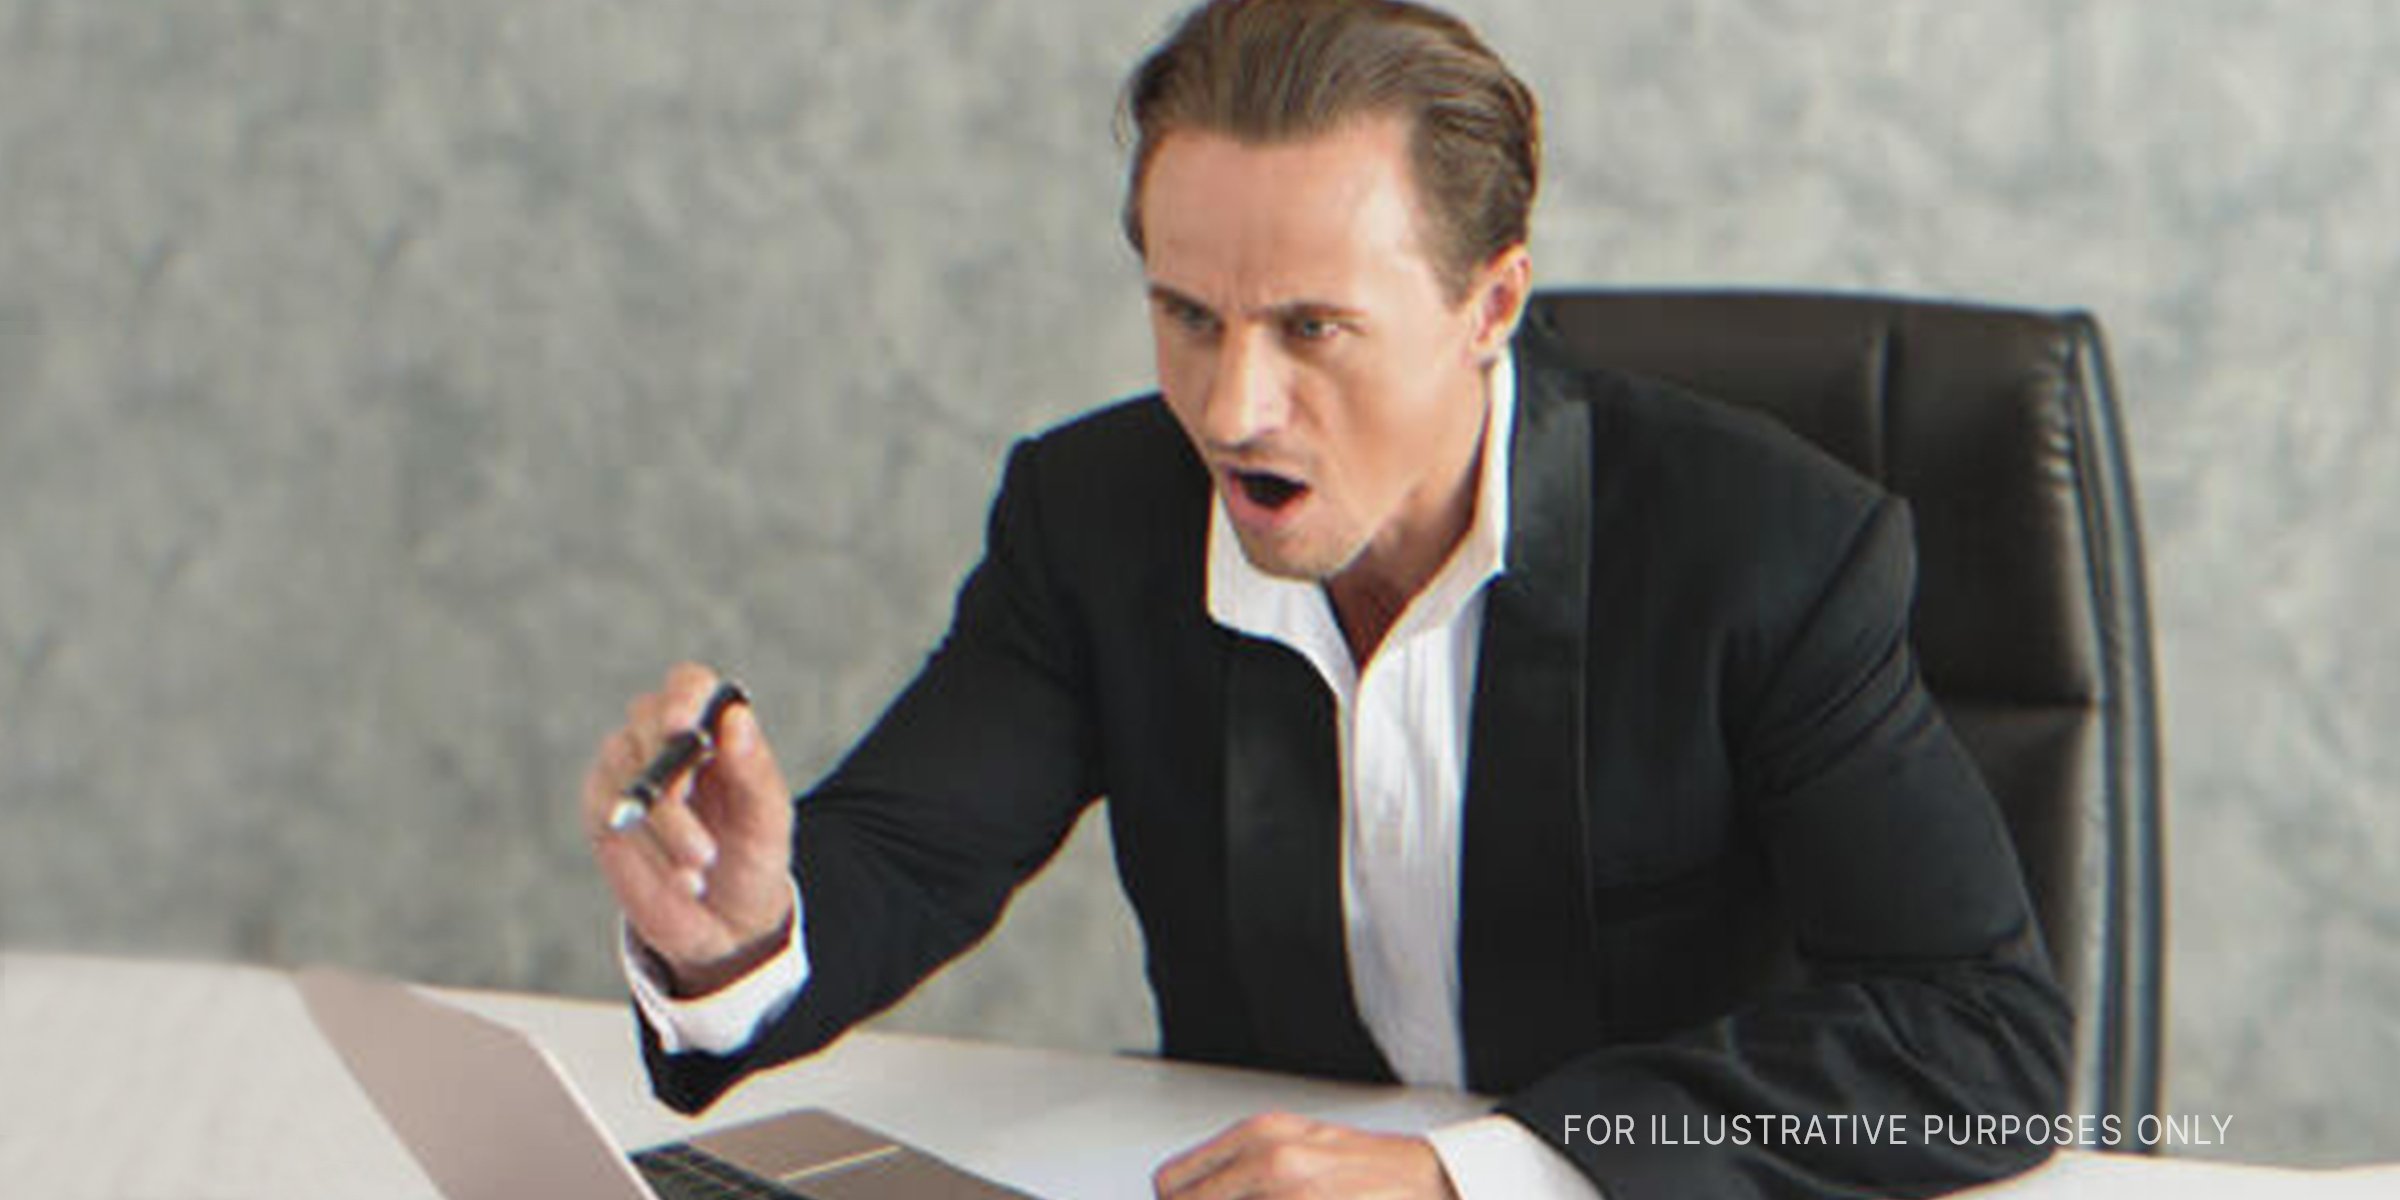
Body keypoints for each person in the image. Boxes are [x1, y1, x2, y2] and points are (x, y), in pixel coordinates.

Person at [579, 1, 2071, 1196]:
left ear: (1490, 305)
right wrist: (737, 935)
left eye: (1312, 328)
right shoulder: (1093, 518)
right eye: (1188, 317)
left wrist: (1467, 1178)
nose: (1233, 409)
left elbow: (1974, 1042)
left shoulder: (1768, 549)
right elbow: (909, 854)